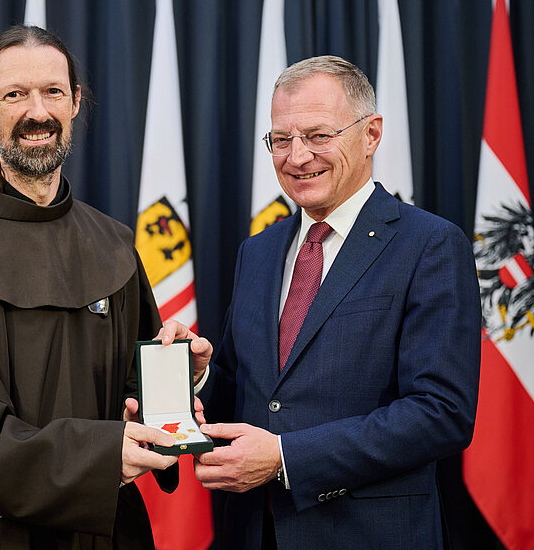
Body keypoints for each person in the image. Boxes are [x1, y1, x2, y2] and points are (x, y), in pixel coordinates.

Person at [168, 56, 481, 549]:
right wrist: (201, 375)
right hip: (252, 532)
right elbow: (254, 396)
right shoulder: (259, 251)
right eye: (281, 139)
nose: (297, 157)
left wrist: (286, 457)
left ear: (371, 134)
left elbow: (441, 413)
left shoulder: (430, 245)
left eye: (318, 136)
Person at [0, 25, 186, 549]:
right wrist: (101, 457)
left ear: (75, 102)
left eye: (53, 91)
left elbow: (132, 397)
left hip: (112, 534)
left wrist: (176, 383)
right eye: (15, 94)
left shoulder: (113, 245)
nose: (38, 112)